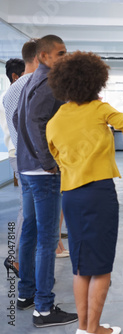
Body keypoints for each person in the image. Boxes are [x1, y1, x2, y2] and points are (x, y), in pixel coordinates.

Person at [47, 51, 123, 334]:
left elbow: (56, 160)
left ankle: (84, 328)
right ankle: (93, 329)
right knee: (100, 266)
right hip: (99, 194)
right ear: (95, 82)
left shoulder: (55, 121)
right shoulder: (101, 110)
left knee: (81, 263)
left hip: (71, 197)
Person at [14, 34, 78, 327]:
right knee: (47, 239)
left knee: (30, 232)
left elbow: (18, 118)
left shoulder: (30, 82)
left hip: (27, 170)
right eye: (60, 53)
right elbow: (33, 121)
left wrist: (29, 154)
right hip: (42, 174)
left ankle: (26, 294)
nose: (65, 57)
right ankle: (43, 308)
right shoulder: (49, 83)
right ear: (44, 57)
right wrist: (47, 161)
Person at [1, 57, 26, 277]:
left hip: (20, 155)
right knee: (25, 208)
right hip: (18, 155)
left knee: (27, 207)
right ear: (16, 78)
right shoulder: (10, 98)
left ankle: (19, 257)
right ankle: (16, 258)